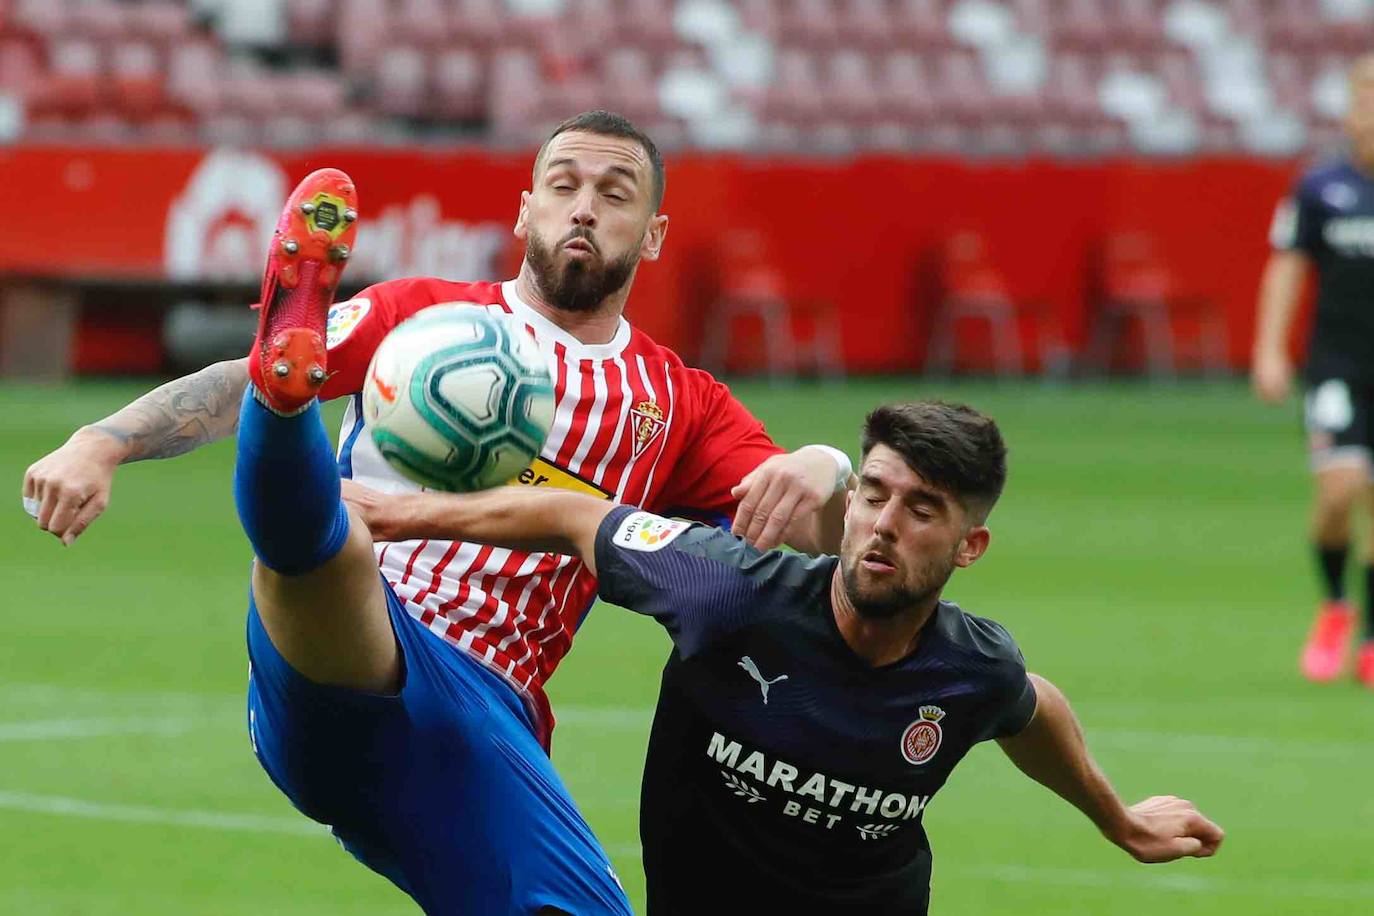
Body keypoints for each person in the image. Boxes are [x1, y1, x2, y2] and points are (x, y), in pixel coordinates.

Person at [22, 111, 854, 913]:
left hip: (483, 718)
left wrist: (826, 467)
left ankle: (289, 403)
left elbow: (812, 544)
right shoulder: (424, 316)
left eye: (615, 191)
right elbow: (221, 392)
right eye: (562, 184)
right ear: (526, 209)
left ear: (654, 232)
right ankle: (290, 386)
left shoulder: (680, 404)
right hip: (343, 652)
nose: (585, 206)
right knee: (331, 533)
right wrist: (101, 442)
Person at [343, 400, 1225, 914]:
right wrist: (392, 516)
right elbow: (579, 518)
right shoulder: (729, 591)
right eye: (873, 494)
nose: (884, 524)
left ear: (970, 547)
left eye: (923, 510)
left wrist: (1118, 818)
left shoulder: (971, 669)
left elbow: (1029, 707)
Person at [1254, 55, 1374, 687]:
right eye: (1366, 101)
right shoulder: (1322, 187)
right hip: (1338, 367)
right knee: (1338, 493)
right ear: (1352, 110)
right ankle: (1336, 605)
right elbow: (1288, 265)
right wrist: (1270, 349)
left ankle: (1372, 643)